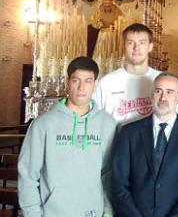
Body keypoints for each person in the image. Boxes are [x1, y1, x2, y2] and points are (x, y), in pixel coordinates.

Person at [18, 57, 117, 217]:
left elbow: (109, 174)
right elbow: (28, 175)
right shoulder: (43, 124)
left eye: (88, 81)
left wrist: (107, 211)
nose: (81, 87)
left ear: (95, 84)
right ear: (68, 82)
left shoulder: (108, 124)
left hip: (92, 213)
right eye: (76, 80)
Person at [111, 72, 178, 217]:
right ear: (151, 95)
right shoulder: (129, 132)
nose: (163, 97)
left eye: (170, 92)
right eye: (158, 91)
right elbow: (118, 183)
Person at [93, 23, 164, 124]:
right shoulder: (106, 82)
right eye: (131, 43)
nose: (136, 48)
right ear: (124, 47)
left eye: (142, 43)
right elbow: (95, 121)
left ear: (150, 47)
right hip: (117, 139)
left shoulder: (162, 80)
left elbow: (173, 122)